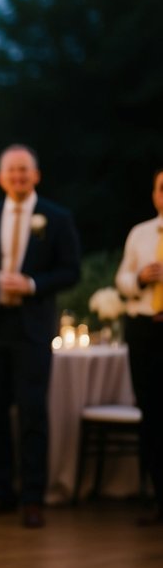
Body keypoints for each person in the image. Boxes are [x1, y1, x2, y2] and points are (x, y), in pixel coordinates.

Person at [0, 145, 81, 529]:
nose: (18, 177)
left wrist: (32, 283)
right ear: (0, 177)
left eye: (24, 171)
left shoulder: (56, 217)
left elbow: (71, 271)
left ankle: (32, 498)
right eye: (11, 171)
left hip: (32, 329)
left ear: (36, 176)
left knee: (32, 413)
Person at [115, 166, 163, 525]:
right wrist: (139, 278)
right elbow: (122, 279)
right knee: (152, 413)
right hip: (145, 330)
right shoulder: (141, 234)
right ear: (154, 194)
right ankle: (157, 497)